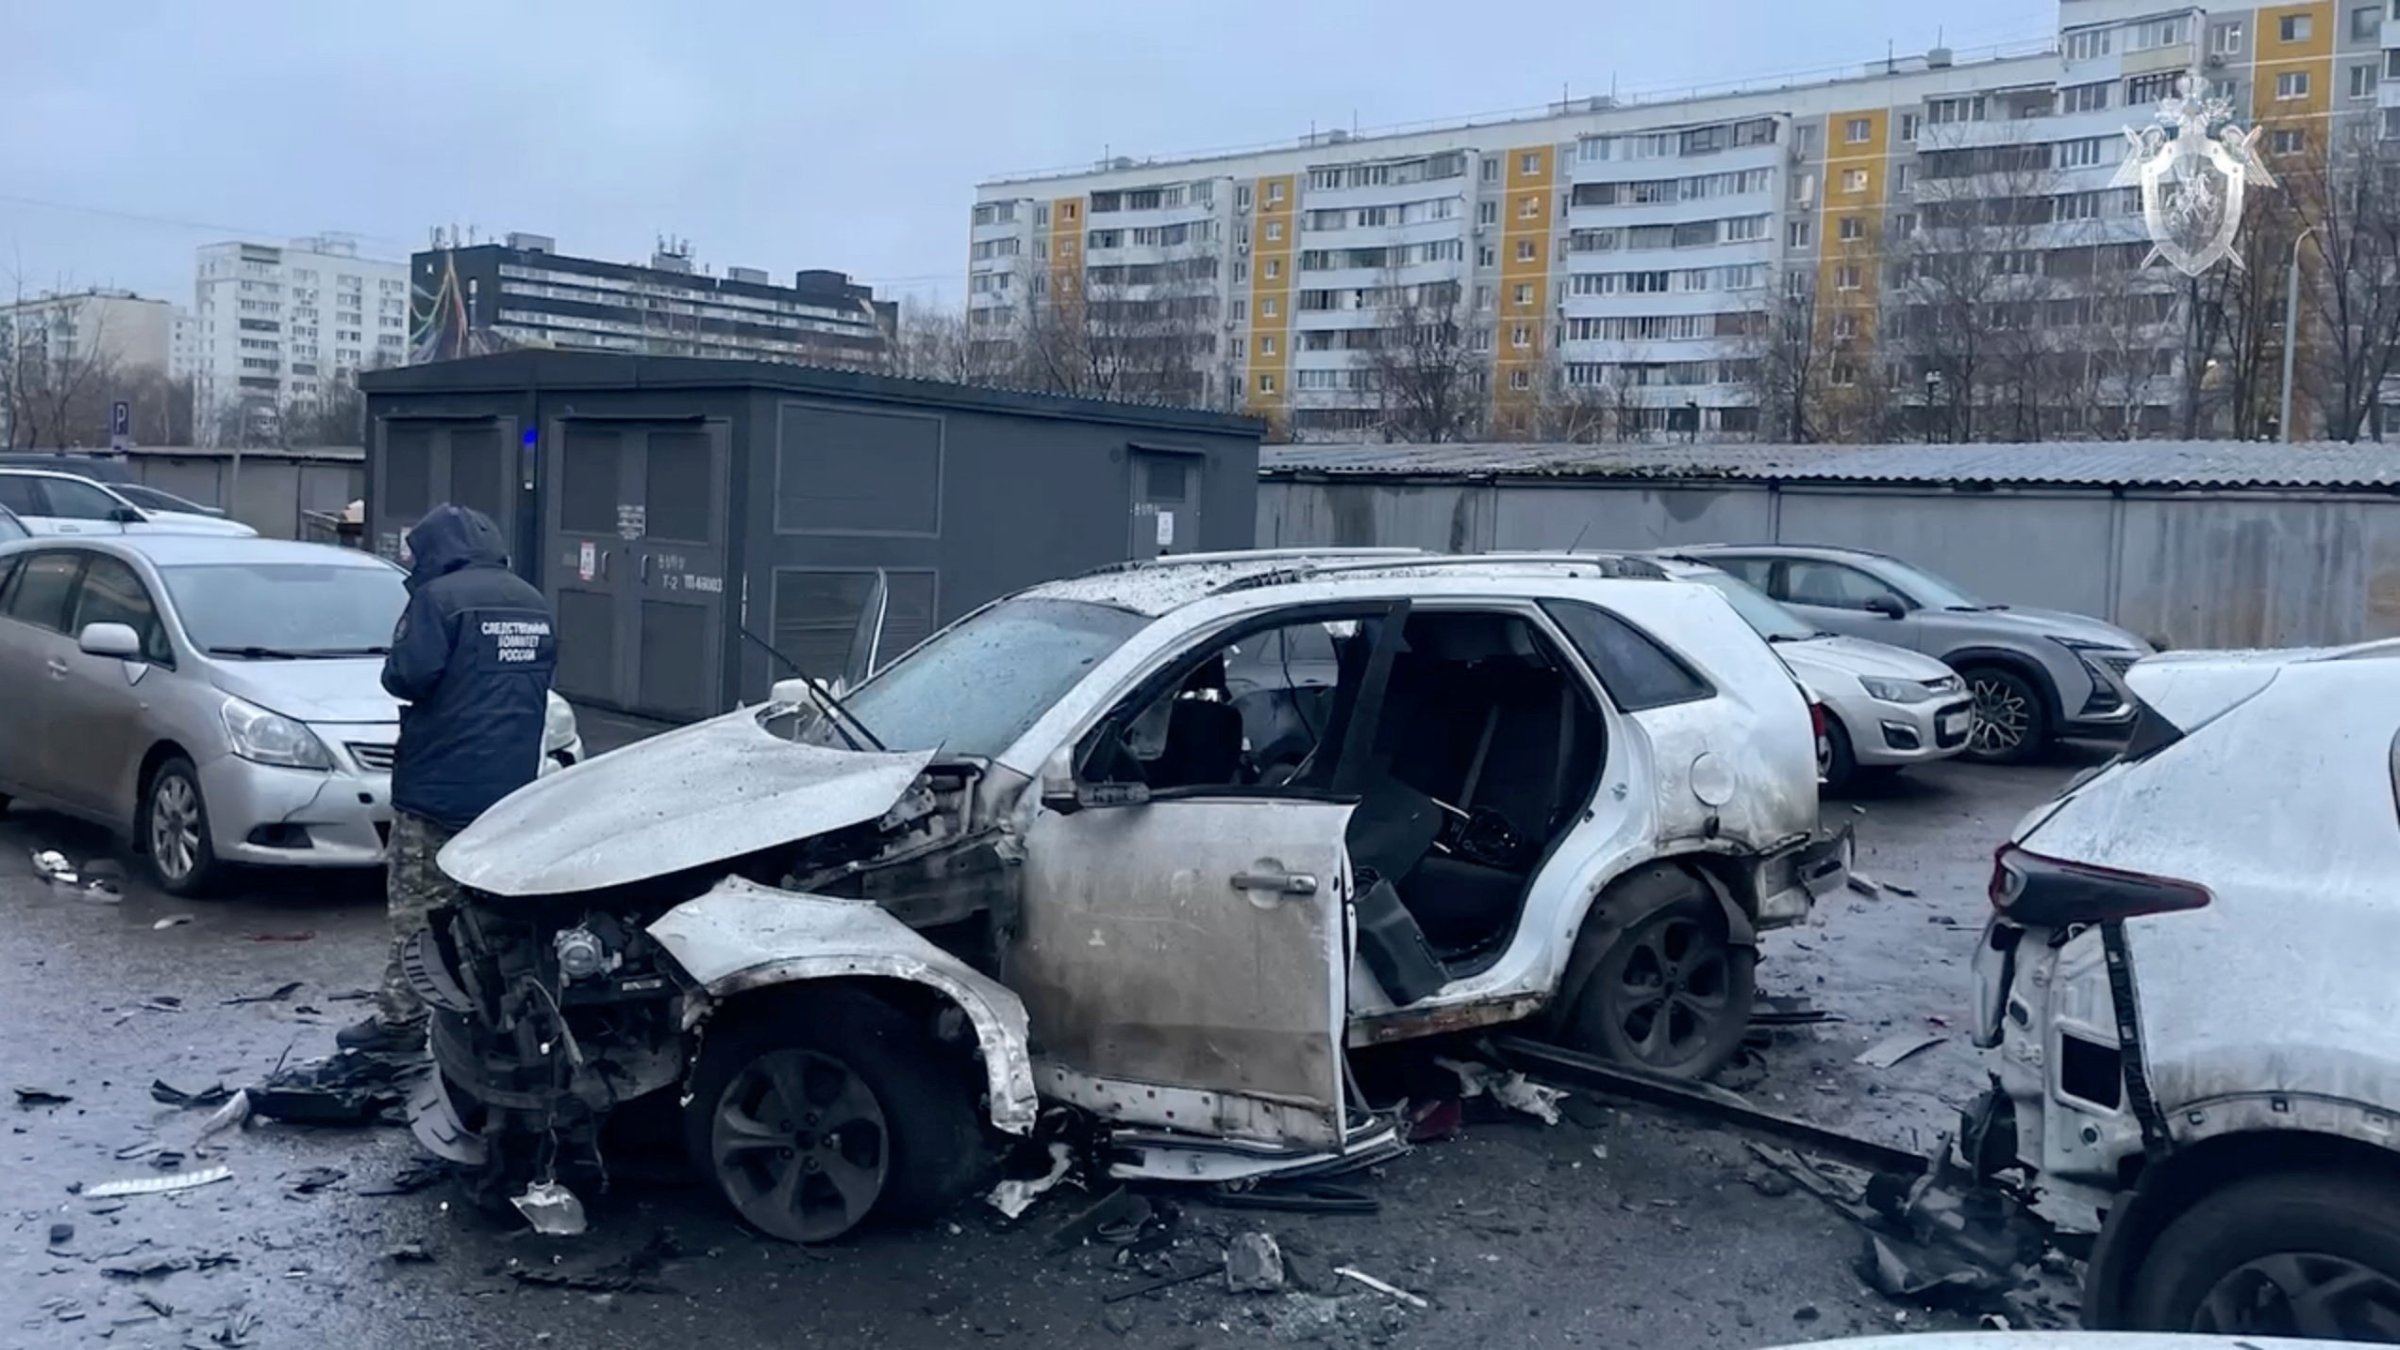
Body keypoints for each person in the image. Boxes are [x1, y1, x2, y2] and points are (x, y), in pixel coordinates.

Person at [338, 503, 557, 1053]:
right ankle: (492, 1016)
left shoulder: (437, 600)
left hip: (438, 786)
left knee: (417, 911)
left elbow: (406, 676)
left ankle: (401, 1021)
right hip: (508, 790)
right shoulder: (532, 601)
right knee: (492, 912)